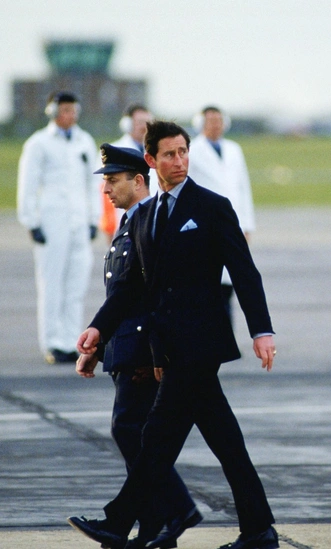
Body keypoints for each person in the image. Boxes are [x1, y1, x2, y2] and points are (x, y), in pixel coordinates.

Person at [67, 121, 279, 549]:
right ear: (151, 160)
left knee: (157, 437)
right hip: (168, 347)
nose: (179, 161)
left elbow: (244, 272)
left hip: (200, 345)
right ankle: (259, 530)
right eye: (169, 154)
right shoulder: (145, 216)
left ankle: (118, 522)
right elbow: (131, 289)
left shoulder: (212, 206)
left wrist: (261, 330)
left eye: (183, 152)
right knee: (226, 443)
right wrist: (98, 328)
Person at [76, 143, 200, 548]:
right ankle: (153, 529)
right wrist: (99, 347)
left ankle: (176, 509)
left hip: (143, 349)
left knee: (131, 431)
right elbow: (122, 297)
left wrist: (155, 353)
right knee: (141, 436)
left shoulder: (150, 223)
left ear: (139, 181)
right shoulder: (130, 223)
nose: (106, 189)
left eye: (113, 181)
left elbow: (152, 297)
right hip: (126, 346)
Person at [17, 91, 100, 365]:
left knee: (76, 284)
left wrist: (94, 219)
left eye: (73, 109)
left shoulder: (84, 141)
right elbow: (28, 184)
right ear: (52, 111)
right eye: (65, 109)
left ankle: (71, 340)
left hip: (79, 221)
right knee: (52, 283)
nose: (70, 115)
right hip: (52, 221)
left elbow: (93, 183)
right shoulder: (39, 143)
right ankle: (52, 342)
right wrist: (31, 221)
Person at [188, 105, 256, 322]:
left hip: (233, 221)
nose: (215, 125)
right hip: (206, 222)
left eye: (219, 120)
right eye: (211, 121)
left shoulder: (234, 149)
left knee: (232, 280)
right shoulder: (192, 150)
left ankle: (227, 331)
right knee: (209, 281)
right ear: (201, 123)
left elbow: (243, 187)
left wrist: (247, 225)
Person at [99, 105, 156, 241]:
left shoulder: (156, 152)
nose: (144, 127)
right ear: (127, 124)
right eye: (140, 122)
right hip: (121, 218)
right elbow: (104, 191)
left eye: (148, 123)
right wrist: (109, 225)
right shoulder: (114, 152)